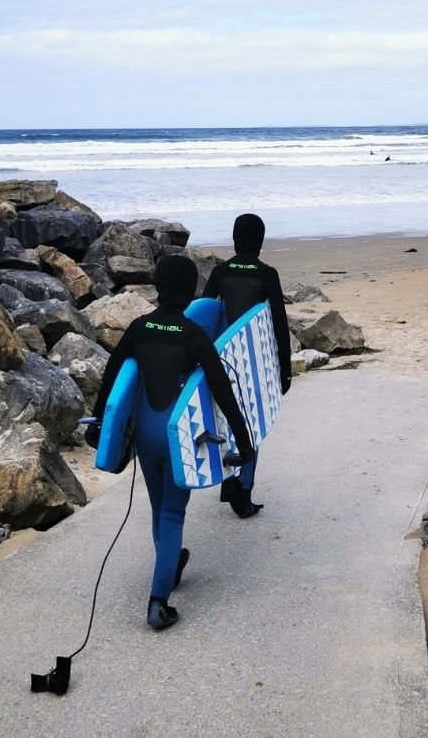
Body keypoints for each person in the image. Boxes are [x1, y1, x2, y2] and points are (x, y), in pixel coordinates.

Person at [87, 254, 255, 631]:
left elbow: (112, 378)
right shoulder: (194, 335)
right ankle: (158, 603)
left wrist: (99, 424)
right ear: (192, 289)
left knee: (158, 506)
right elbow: (223, 392)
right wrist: (244, 445)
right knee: (173, 513)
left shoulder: (139, 327)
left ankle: (171, 563)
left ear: (158, 286)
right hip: (177, 433)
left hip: (146, 433)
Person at [202, 212, 293, 518]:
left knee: (225, 421)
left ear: (234, 238)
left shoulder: (221, 272)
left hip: (221, 360)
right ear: (261, 241)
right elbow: (279, 326)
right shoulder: (267, 274)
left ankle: (228, 481)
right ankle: (244, 490)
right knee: (252, 425)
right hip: (253, 362)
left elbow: (204, 315)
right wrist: (285, 369)